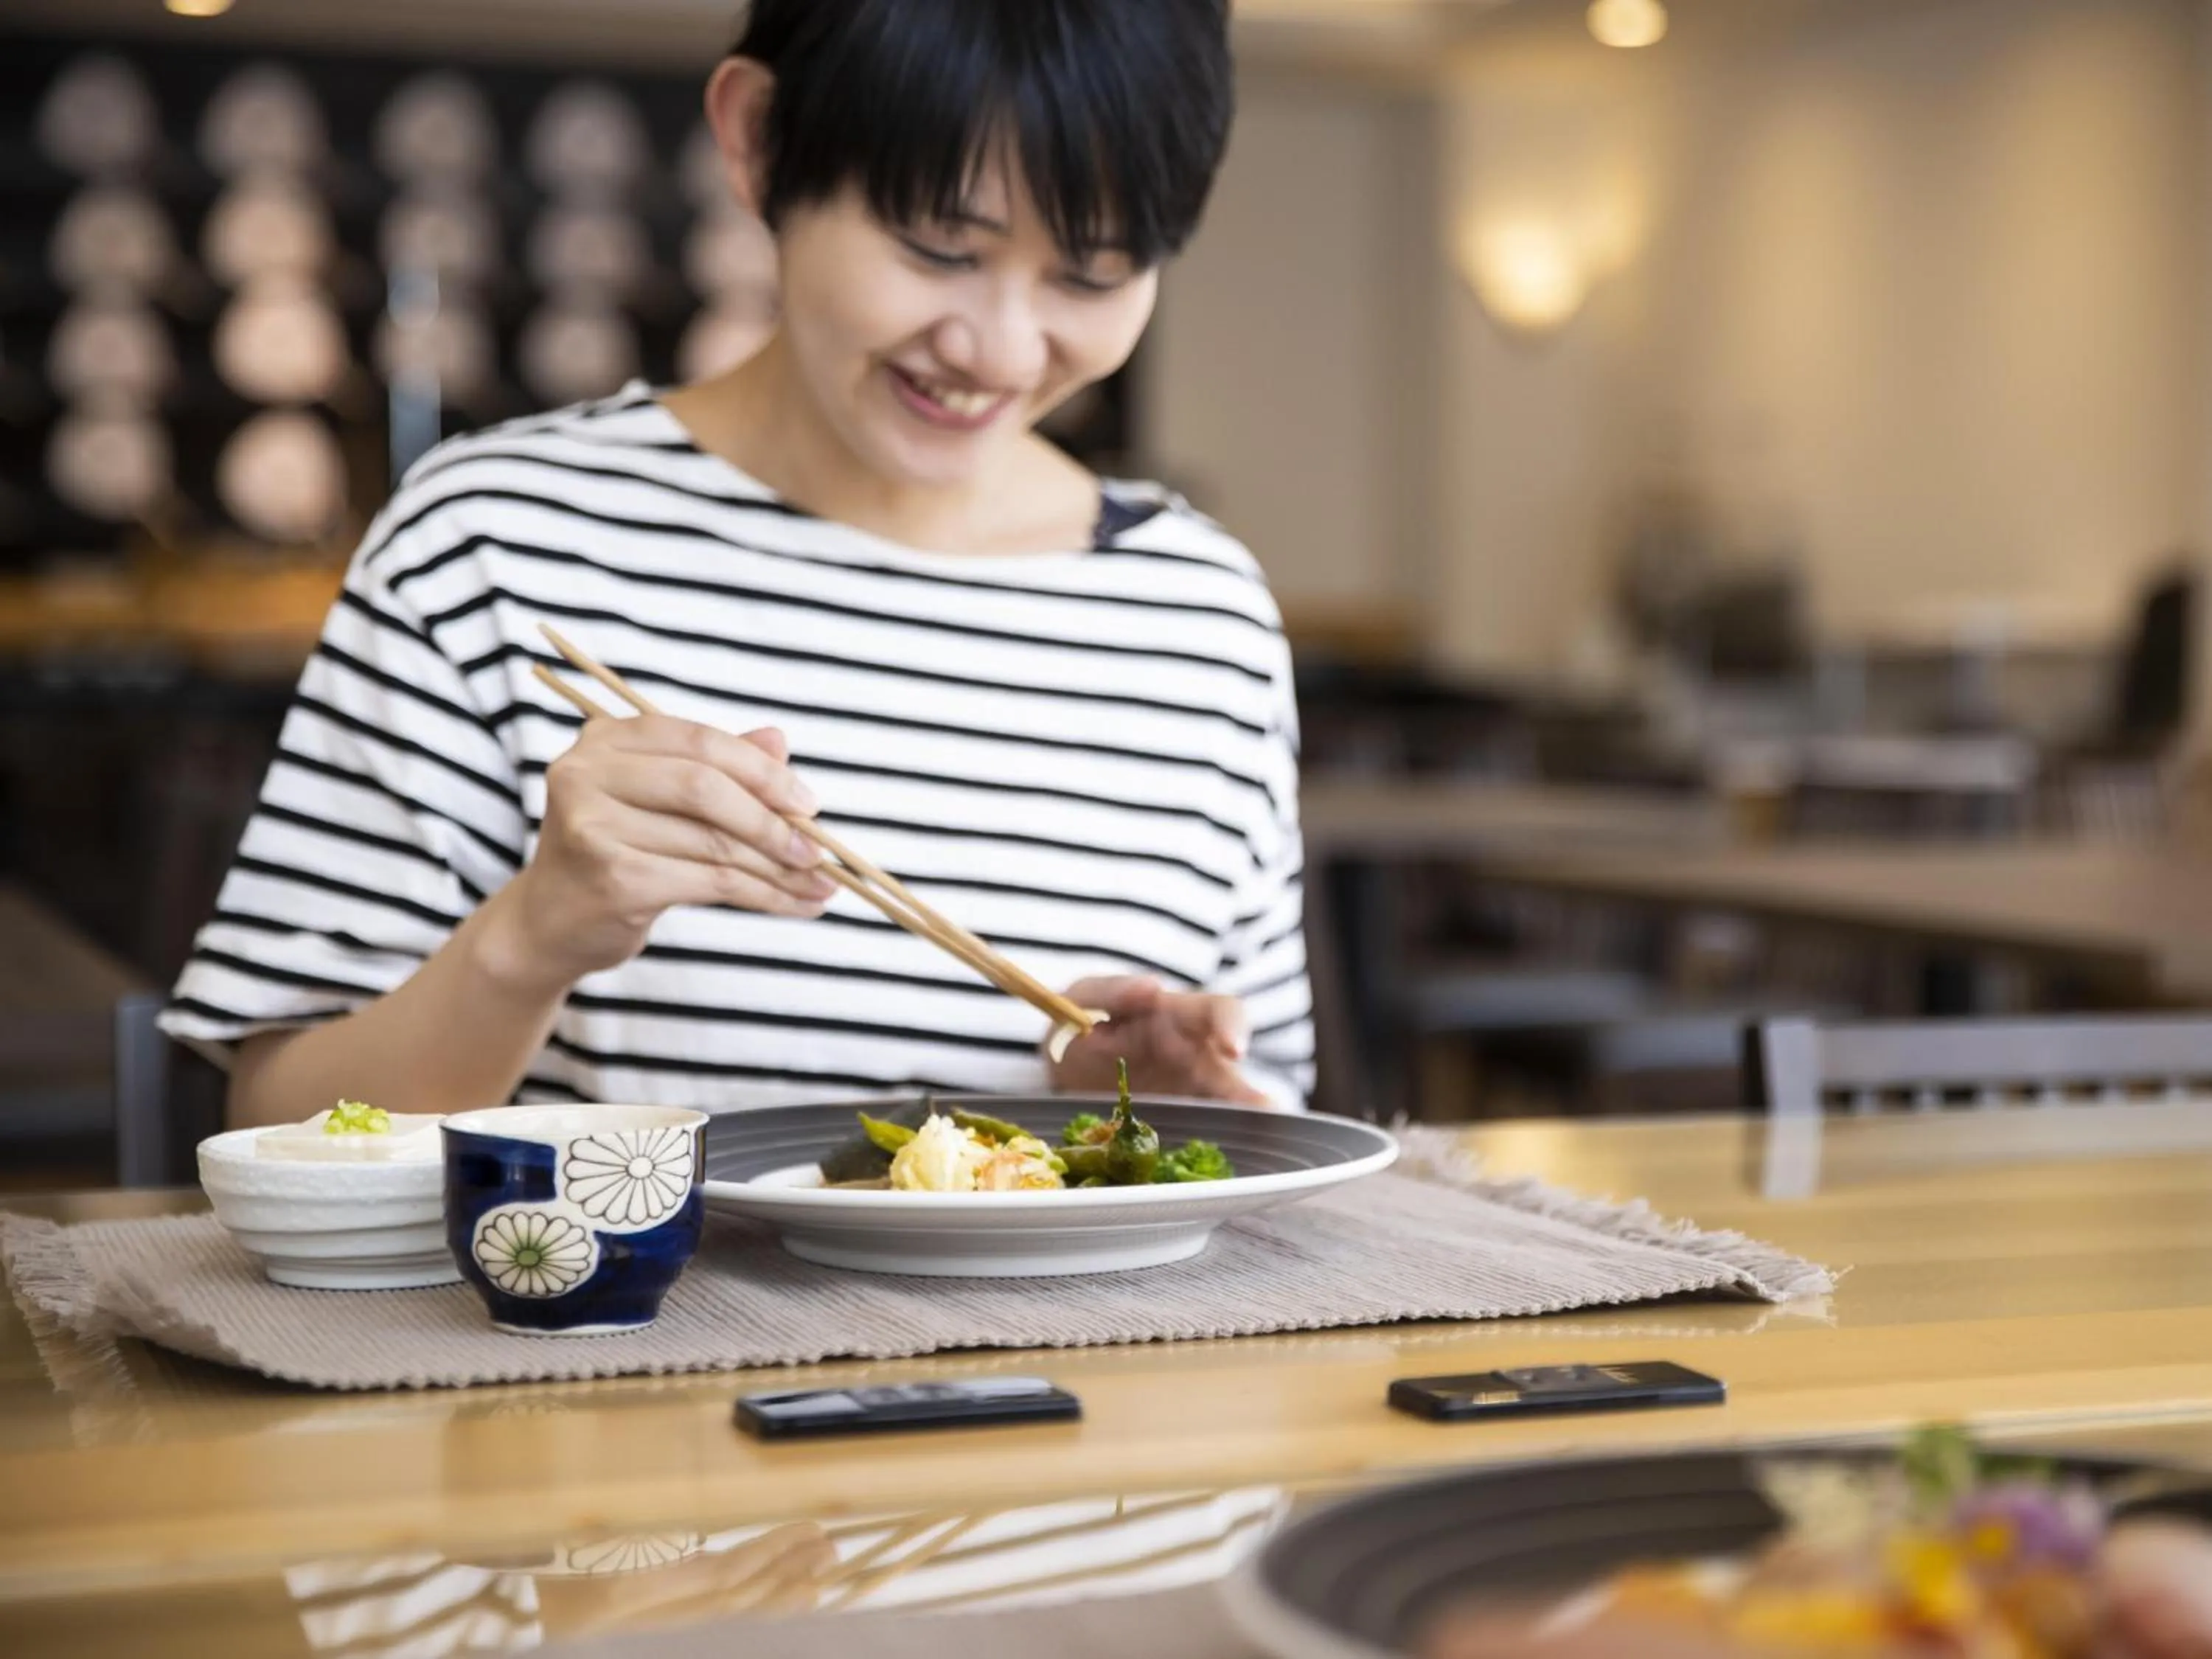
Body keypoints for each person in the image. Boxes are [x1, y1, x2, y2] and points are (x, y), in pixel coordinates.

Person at [163, 0, 1314, 1127]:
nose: (1001, 347)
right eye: (938, 247)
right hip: (615, 1321)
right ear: (758, 141)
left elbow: (1276, 1121)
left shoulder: (1199, 615)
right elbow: (272, 1127)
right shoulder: (493, 542)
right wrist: (532, 938)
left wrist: (1156, 1114)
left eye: (1093, 275)